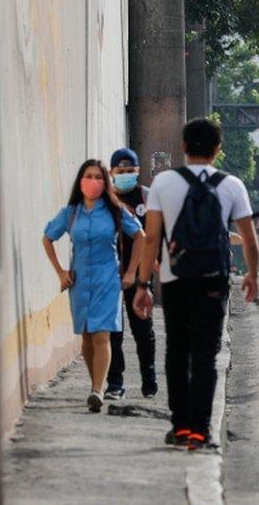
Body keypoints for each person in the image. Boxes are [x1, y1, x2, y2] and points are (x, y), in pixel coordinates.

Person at [133, 118, 259, 451]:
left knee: (177, 350)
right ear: (218, 150)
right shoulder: (231, 185)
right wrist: (252, 275)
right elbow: (250, 240)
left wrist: (143, 285)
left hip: (175, 280)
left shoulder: (163, 183)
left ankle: (181, 426)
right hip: (213, 279)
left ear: (184, 147)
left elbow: (151, 240)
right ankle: (202, 430)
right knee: (206, 354)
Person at [42, 159, 145, 412]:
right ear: (80, 181)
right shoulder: (71, 213)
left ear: (106, 182)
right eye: (89, 176)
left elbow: (140, 236)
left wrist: (131, 272)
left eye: (99, 177)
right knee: (87, 335)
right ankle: (95, 383)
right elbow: (47, 237)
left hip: (107, 279)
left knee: (102, 333)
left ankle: (98, 390)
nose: (94, 181)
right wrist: (60, 272)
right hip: (79, 280)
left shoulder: (115, 210)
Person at [104, 148, 158, 401]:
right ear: (112, 173)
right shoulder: (105, 199)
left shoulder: (146, 198)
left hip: (140, 274)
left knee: (142, 328)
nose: (124, 175)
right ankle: (115, 382)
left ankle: (149, 378)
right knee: (113, 331)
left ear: (137, 172)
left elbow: (155, 236)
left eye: (130, 171)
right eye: (120, 171)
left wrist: (149, 267)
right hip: (109, 274)